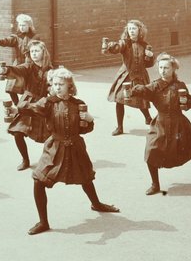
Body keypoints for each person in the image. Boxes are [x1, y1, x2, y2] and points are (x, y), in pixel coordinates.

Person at [23, 67, 119, 234]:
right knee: (39, 180)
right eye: (54, 84)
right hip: (54, 147)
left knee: (86, 177)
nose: (57, 87)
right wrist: (18, 107)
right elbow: (31, 108)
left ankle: (96, 204)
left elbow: (85, 129)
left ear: (70, 86)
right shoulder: (48, 103)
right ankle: (43, 222)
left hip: (76, 147)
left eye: (61, 84)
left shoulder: (78, 104)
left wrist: (89, 120)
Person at [128, 54, 191, 195]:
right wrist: (132, 90)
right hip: (161, 123)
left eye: (166, 68)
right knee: (152, 149)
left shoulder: (180, 86)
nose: (163, 70)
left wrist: (187, 103)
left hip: (179, 122)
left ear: (173, 69)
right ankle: (155, 184)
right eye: (160, 67)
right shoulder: (155, 85)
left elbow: (190, 103)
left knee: (190, 148)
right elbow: (144, 90)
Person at [0, 38, 52, 170]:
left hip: (44, 104)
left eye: (37, 51)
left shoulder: (50, 69)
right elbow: (18, 70)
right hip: (27, 103)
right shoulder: (29, 66)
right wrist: (7, 70)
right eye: (32, 51)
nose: (34, 54)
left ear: (43, 52)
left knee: (50, 137)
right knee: (18, 132)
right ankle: (25, 160)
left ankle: (49, 160)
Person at [101, 19, 154, 135]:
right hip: (126, 76)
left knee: (141, 99)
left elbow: (149, 64)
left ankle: (148, 118)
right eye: (129, 29)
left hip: (140, 75)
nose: (131, 31)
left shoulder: (145, 45)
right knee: (119, 100)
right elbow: (117, 48)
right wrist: (110, 46)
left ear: (140, 30)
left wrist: (150, 57)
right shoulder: (125, 43)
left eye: (134, 28)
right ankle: (120, 127)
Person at [0, 13, 38, 104]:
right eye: (20, 25)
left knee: (29, 91)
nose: (21, 27)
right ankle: (18, 106)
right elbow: (8, 41)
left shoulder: (35, 38)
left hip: (30, 67)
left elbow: (35, 52)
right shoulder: (17, 37)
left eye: (24, 25)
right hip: (17, 65)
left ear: (29, 25)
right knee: (11, 89)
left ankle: (27, 107)